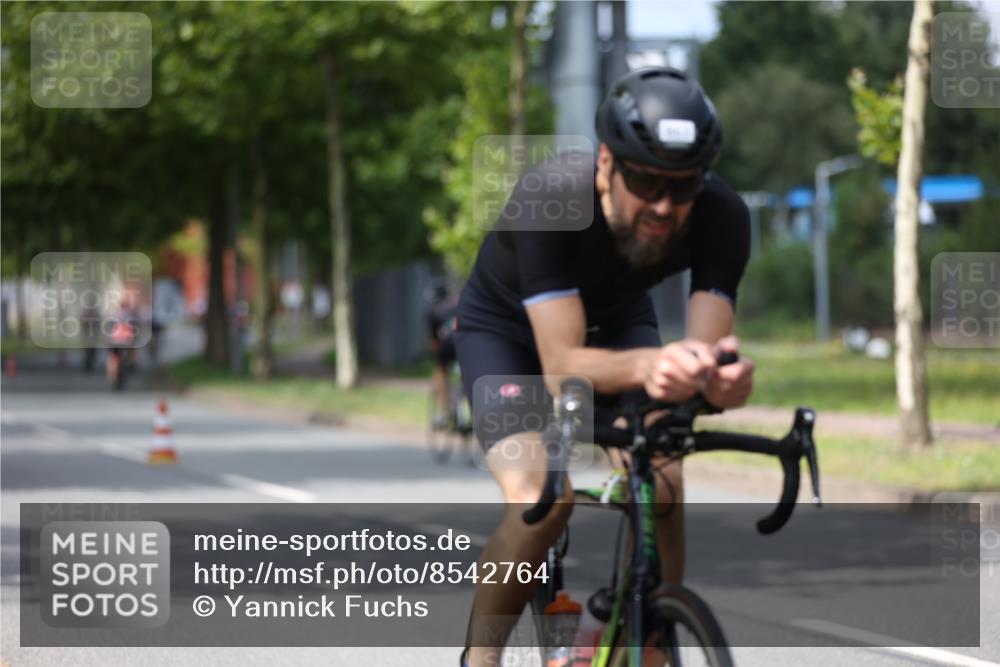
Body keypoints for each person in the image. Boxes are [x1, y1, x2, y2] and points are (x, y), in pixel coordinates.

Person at [455, 67, 755, 666]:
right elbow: (561, 362)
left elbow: (704, 357)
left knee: (665, 478)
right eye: (645, 182)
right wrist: (659, 364)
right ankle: (478, 661)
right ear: (605, 164)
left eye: (683, 185)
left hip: (618, 326)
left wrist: (718, 379)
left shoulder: (721, 214)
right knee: (542, 497)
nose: (665, 206)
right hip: (508, 335)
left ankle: (647, 643)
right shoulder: (552, 198)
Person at [427, 284, 459, 426]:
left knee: (441, 372)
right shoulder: (457, 304)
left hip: (447, 346)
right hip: (466, 342)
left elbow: (434, 341)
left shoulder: (432, 311)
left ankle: (442, 414)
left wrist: (433, 354)